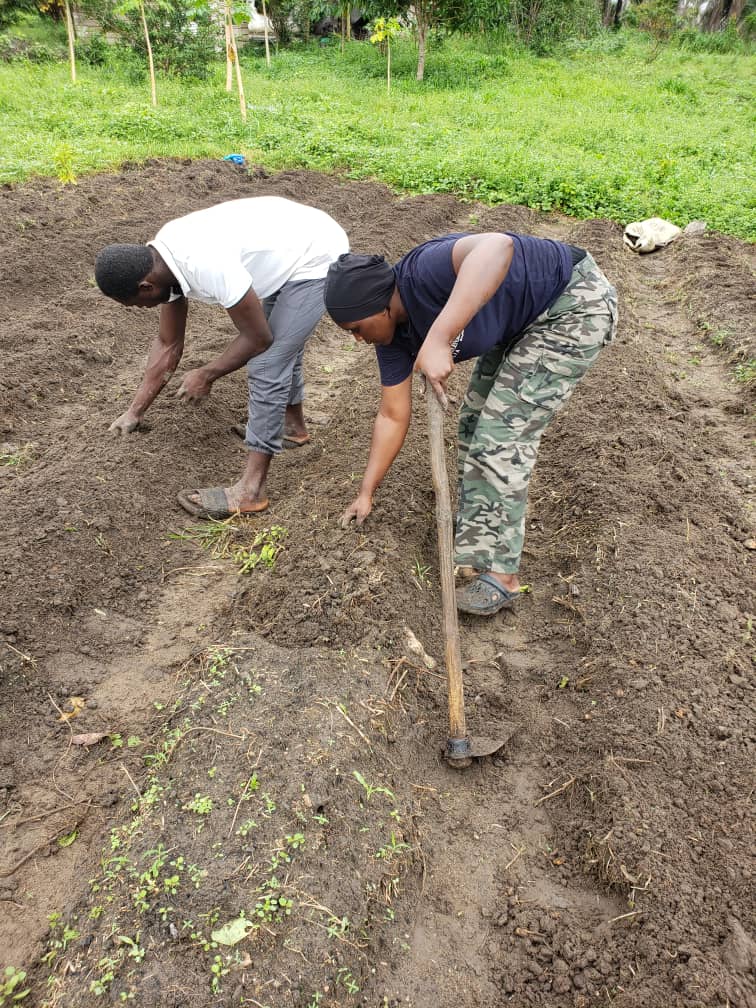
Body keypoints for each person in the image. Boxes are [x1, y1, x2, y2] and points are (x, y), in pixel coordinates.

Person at [323, 232, 617, 617]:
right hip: (522, 323)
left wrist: (439, 337)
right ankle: (478, 538)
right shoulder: (392, 342)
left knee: (500, 437)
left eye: (357, 328)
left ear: (382, 307)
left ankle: (501, 575)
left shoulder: (424, 273)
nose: (358, 339)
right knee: (473, 422)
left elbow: (497, 246)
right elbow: (392, 414)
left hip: (571, 305)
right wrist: (366, 492)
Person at [95, 197, 349, 518]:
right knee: (282, 348)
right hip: (289, 244)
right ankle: (292, 428)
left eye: (135, 304)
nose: (141, 309)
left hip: (316, 254)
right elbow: (168, 342)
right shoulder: (161, 263)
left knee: (269, 362)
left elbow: (258, 338)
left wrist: (207, 374)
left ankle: (251, 492)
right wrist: (134, 411)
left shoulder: (204, 263)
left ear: (146, 287)